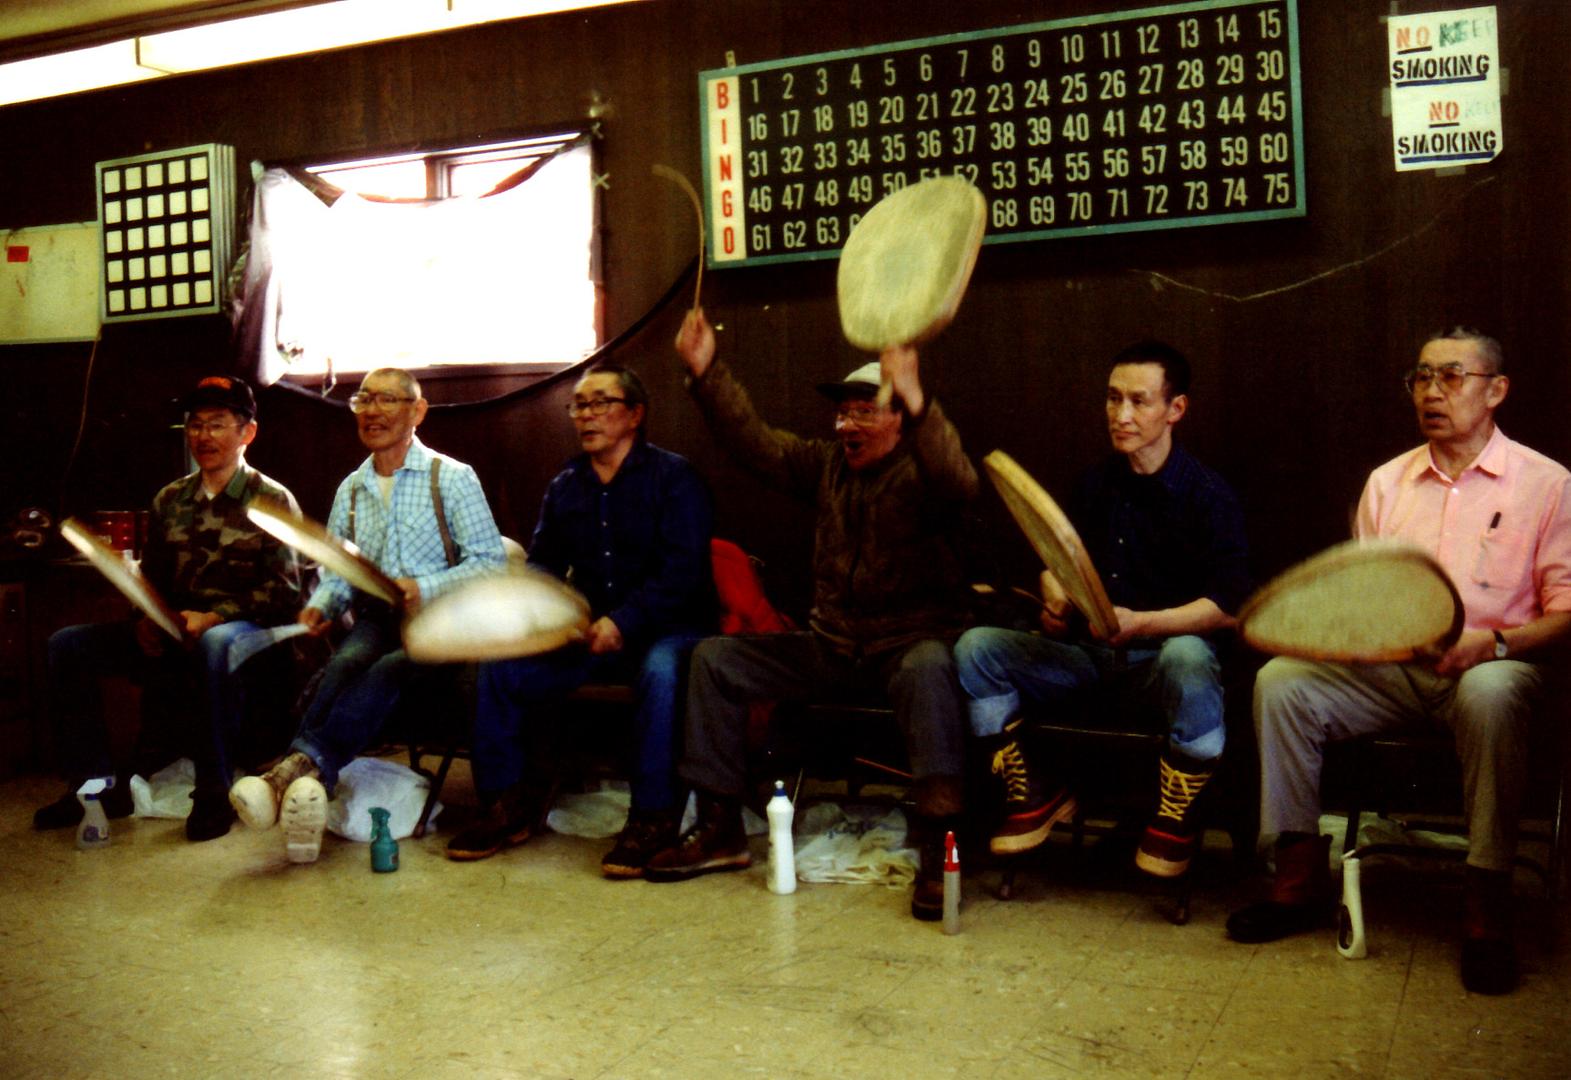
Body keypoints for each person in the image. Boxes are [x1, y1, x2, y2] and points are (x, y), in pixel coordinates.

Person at [1227, 328, 1571, 996]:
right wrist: (1346, 637)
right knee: (1281, 683)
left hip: (1490, 665)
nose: (1431, 392)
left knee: (1491, 694)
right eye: (1419, 377)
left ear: (1494, 390)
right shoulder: (1386, 482)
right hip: (1394, 670)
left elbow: (1565, 610)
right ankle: (1295, 878)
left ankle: (1485, 907)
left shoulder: (1547, 484)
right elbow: (1365, 600)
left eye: (1449, 376)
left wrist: (1493, 644)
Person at [651, 308, 978, 922]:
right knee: (716, 660)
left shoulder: (927, 474)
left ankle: (941, 843)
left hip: (906, 645)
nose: (847, 423)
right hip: (832, 646)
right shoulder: (826, 465)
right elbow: (756, 443)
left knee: (931, 666)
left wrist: (919, 397)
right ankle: (720, 825)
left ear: (901, 419)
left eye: (865, 410)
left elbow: (959, 482)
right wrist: (706, 372)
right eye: (842, 411)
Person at [955, 341, 1250, 878]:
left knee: (1188, 653)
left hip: (1157, 668)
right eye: (1113, 399)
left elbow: (1229, 609)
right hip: (1087, 659)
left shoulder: (1209, 495)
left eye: (1139, 401)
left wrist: (1143, 623)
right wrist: (1056, 596)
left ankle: (1177, 813)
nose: (1122, 415)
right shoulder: (1096, 483)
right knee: (978, 649)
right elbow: (1057, 559)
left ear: (1175, 409)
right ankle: (1034, 791)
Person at [443, 363, 716, 875]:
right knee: (500, 666)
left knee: (659, 671)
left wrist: (625, 621)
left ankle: (652, 818)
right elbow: (543, 562)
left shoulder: (674, 477)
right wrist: (551, 611)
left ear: (635, 415)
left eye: (600, 403)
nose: (586, 415)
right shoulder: (567, 484)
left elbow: (682, 574)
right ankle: (507, 804)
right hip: (591, 634)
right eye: (579, 405)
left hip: (669, 629)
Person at [229, 368, 506, 863]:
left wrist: (425, 586)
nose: (372, 411)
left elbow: (491, 562)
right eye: (364, 400)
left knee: (388, 668)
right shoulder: (351, 490)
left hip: (444, 624)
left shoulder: (453, 478)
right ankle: (304, 780)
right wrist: (322, 605)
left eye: (387, 400)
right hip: (379, 618)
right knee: (342, 663)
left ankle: (293, 773)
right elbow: (340, 572)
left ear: (417, 412)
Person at [34, 375, 302, 842]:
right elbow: (152, 582)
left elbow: (286, 595)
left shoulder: (273, 500)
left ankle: (215, 793)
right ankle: (95, 789)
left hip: (248, 640)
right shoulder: (169, 500)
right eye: (195, 425)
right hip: (177, 633)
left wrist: (215, 615)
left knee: (216, 643)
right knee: (68, 645)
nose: (203, 437)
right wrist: (144, 620)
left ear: (247, 432)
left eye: (217, 425)